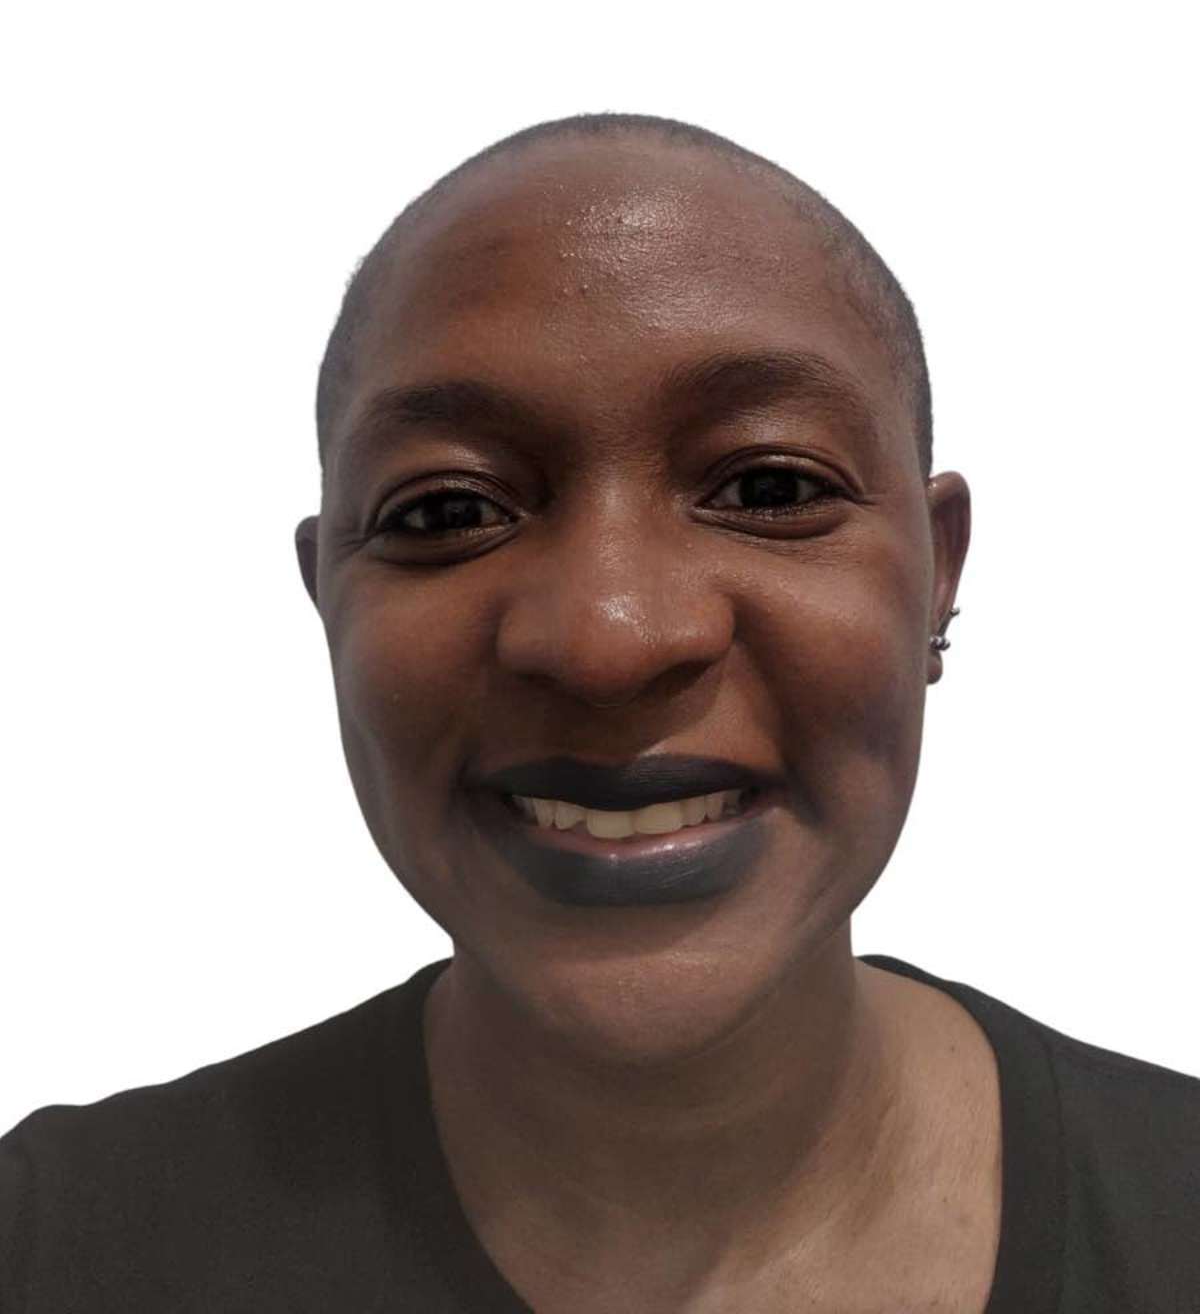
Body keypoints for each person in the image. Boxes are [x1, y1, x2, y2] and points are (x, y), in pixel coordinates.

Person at [2, 113, 1197, 1312]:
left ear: (935, 576)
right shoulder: (56, 1250)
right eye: (446, 511)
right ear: (330, 604)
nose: (608, 641)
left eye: (768, 486)